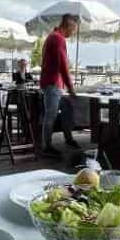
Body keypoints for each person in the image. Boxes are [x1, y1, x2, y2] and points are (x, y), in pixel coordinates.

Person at [39, 14, 80, 156]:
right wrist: (71, 87)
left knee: (67, 108)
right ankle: (47, 147)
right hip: (53, 83)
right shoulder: (58, 39)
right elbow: (62, 65)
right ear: (69, 26)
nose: (73, 33)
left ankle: (68, 138)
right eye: (73, 30)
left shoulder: (51, 37)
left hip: (51, 82)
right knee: (50, 115)